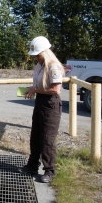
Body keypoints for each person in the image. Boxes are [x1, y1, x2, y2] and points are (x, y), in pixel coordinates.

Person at [19, 36, 64, 183]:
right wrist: (32, 91)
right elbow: (39, 85)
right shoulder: (40, 65)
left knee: (47, 139)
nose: (36, 58)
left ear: (45, 52)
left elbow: (55, 89)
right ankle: (32, 165)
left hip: (51, 105)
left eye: (38, 55)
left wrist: (36, 89)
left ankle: (49, 171)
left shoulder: (53, 66)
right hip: (40, 102)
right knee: (35, 136)